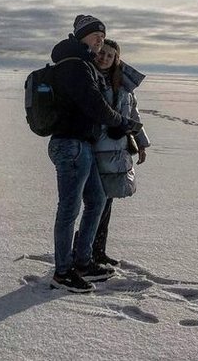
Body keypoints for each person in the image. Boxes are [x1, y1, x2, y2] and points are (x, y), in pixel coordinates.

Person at [46, 15, 137, 293]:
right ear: (81, 36)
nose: (100, 39)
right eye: (95, 35)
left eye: (103, 35)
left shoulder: (83, 62)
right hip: (70, 145)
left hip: (82, 144)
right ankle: (63, 272)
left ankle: (83, 261)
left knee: (96, 200)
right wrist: (121, 122)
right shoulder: (74, 65)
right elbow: (95, 105)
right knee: (69, 210)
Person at [90, 39, 150, 267]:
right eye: (102, 53)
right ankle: (84, 251)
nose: (104, 58)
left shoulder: (123, 86)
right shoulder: (89, 79)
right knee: (95, 204)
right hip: (96, 151)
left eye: (110, 55)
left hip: (117, 152)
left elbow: (133, 116)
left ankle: (99, 251)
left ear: (117, 59)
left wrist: (141, 144)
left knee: (107, 203)